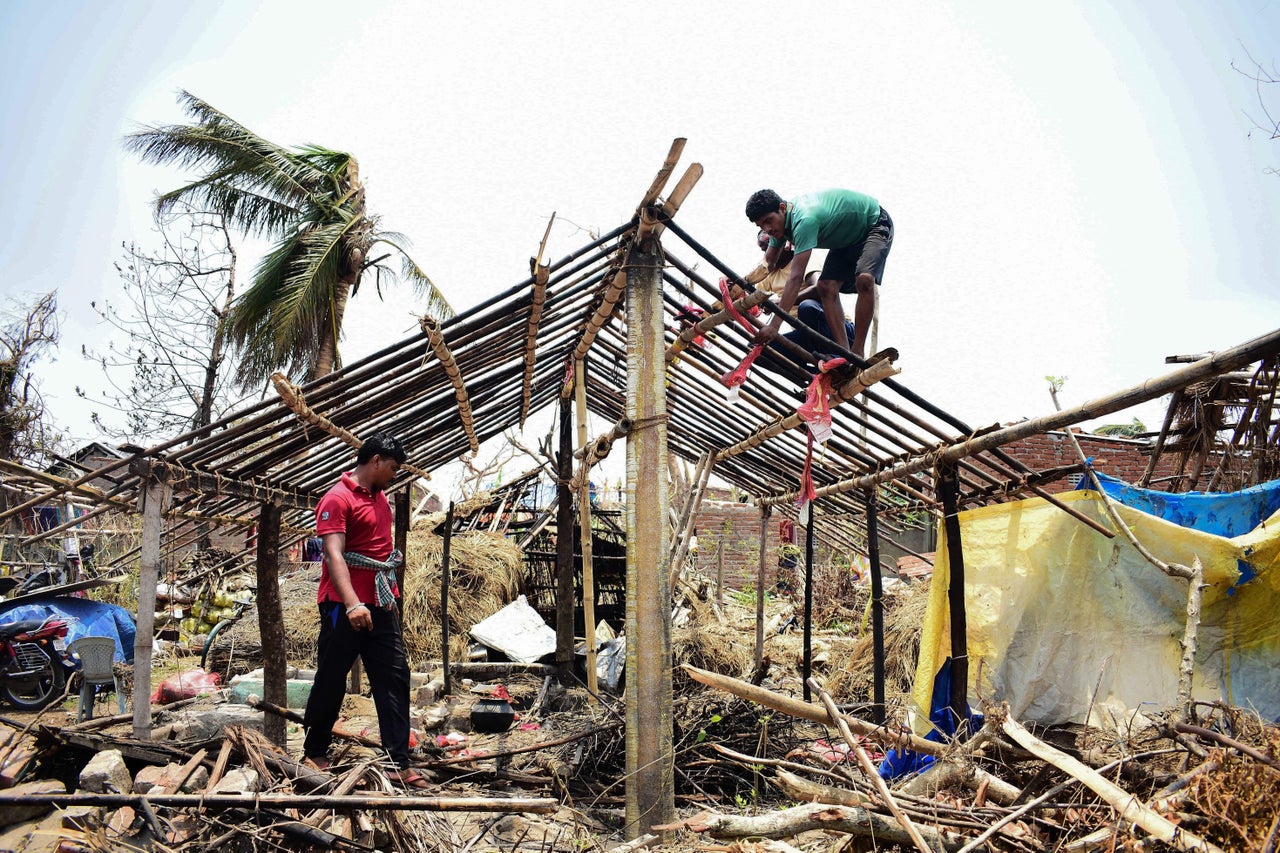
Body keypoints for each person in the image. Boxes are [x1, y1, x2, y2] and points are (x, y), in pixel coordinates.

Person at [302, 432, 427, 787]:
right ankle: (314, 751)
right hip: (344, 605)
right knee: (331, 676)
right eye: (392, 466)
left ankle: (397, 762)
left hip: (380, 601)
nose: (394, 473)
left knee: (394, 677)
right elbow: (333, 554)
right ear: (375, 461)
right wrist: (353, 602)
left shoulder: (381, 498)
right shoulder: (337, 498)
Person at [745, 188, 893, 359]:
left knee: (864, 280)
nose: (767, 228)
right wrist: (739, 283)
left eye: (769, 221)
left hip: (873, 224)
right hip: (846, 240)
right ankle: (843, 353)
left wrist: (774, 326)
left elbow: (795, 277)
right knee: (826, 287)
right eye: (761, 225)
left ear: (782, 208)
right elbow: (767, 264)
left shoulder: (804, 220)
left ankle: (857, 351)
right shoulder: (779, 229)